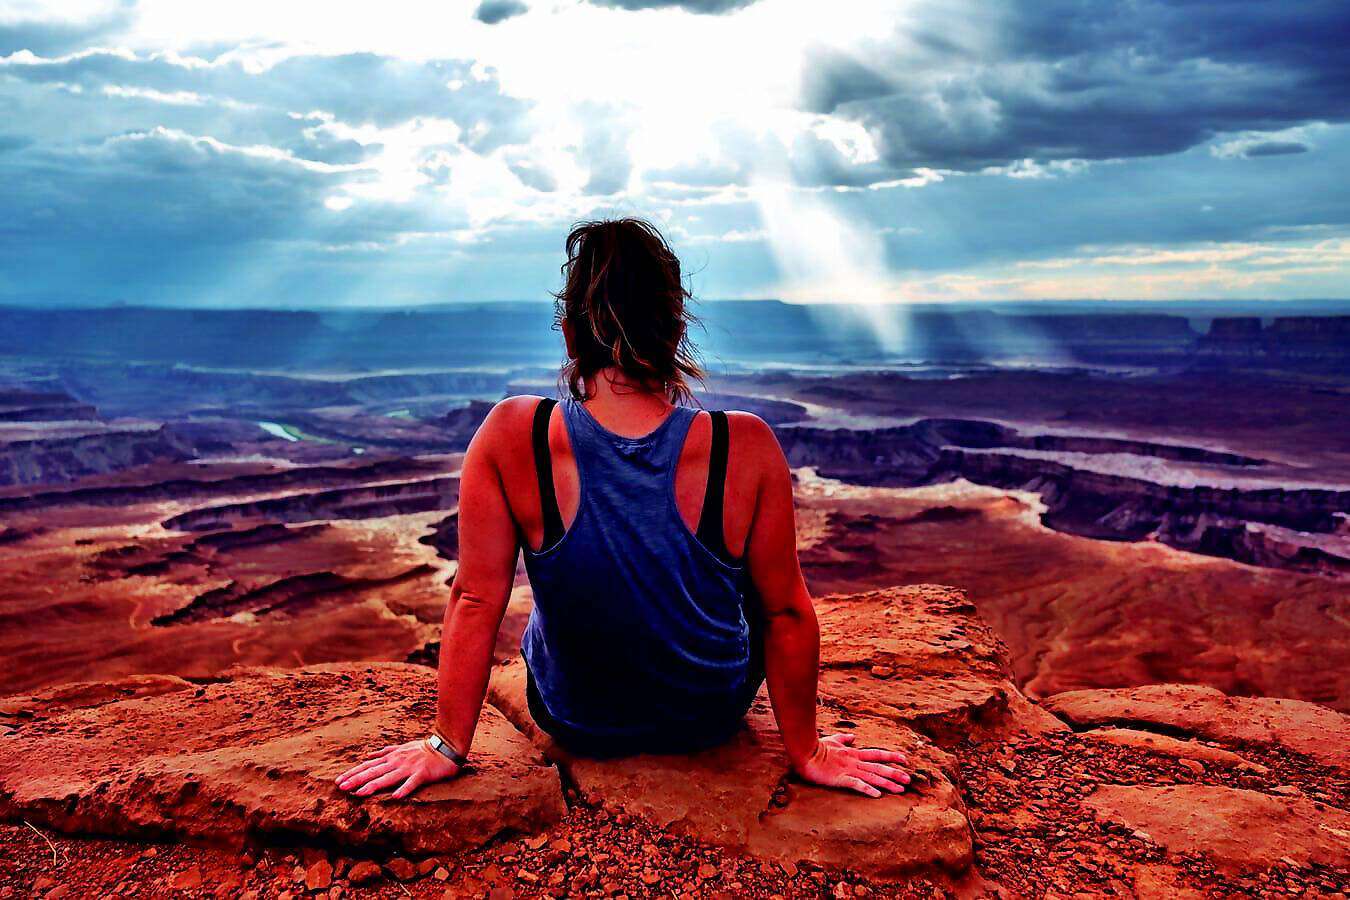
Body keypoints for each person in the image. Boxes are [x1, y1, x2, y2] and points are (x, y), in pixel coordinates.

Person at [336, 217, 911, 800]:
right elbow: (785, 612)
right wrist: (807, 751)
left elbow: (477, 597)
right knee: (754, 605)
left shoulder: (514, 436)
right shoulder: (746, 445)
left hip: (577, 719)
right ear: (676, 330)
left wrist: (446, 747)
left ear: (568, 337)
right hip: (706, 718)